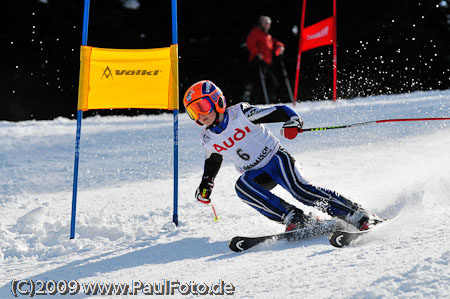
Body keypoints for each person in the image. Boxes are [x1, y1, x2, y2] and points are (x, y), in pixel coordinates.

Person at [184, 80, 383, 232]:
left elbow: (279, 111)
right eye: (193, 112)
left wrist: (293, 120)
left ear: (217, 101)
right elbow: (213, 159)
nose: (200, 115)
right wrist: (206, 183)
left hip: (276, 160)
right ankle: (294, 217)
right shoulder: (207, 137)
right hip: (256, 175)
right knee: (242, 187)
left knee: (301, 190)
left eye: (202, 107)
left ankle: (355, 213)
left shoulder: (241, 113)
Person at [244, 16, 285, 104]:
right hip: (258, 62)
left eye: (268, 23)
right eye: (265, 23)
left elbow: (273, 43)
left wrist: (280, 47)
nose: (267, 25)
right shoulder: (256, 32)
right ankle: (256, 102)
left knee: (272, 83)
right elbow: (250, 43)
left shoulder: (267, 35)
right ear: (261, 23)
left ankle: (268, 100)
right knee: (259, 83)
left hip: (266, 62)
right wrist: (257, 53)